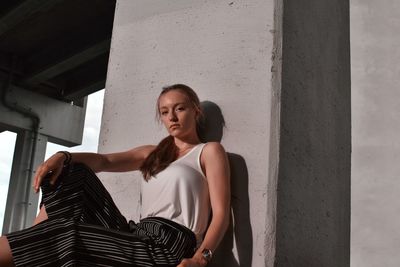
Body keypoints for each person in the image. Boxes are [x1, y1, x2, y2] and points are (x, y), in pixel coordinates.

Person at [0, 84, 231, 267]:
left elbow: (221, 214)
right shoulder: (152, 153)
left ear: (196, 111)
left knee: (66, 232)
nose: (172, 117)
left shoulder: (208, 151)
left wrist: (201, 259)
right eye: (164, 112)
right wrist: (64, 155)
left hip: (168, 246)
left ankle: (26, 250)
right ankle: (33, 241)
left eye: (180, 108)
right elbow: (104, 161)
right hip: (135, 234)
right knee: (74, 171)